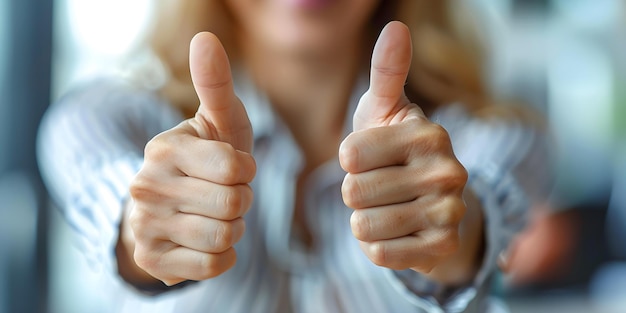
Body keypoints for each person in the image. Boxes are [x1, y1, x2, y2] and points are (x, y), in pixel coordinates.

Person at [37, 0, 550, 312]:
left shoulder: (490, 133)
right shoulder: (106, 119)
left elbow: (485, 194)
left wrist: (448, 231)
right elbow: (105, 183)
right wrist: (138, 230)